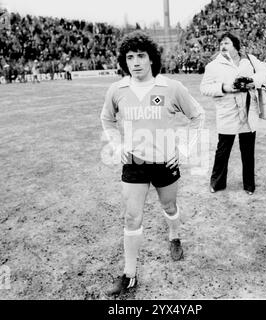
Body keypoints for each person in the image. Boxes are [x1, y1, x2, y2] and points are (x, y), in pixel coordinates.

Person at [100, 31, 205, 296]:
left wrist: (183, 149)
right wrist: (117, 145)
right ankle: (130, 274)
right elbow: (107, 119)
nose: (135, 62)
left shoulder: (171, 87)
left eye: (141, 56)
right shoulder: (117, 90)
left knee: (169, 205)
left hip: (165, 162)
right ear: (125, 61)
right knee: (131, 216)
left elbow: (198, 115)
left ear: (151, 59)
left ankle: (174, 235)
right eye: (130, 57)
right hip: (134, 164)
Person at [200, 32, 266, 195]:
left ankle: (249, 185)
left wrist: (251, 80)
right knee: (223, 150)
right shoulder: (213, 65)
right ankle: (217, 183)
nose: (223, 46)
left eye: (227, 43)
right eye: (221, 44)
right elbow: (204, 88)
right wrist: (224, 87)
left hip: (247, 109)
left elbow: (265, 73)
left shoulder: (250, 59)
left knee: (248, 150)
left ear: (235, 46)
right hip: (227, 110)